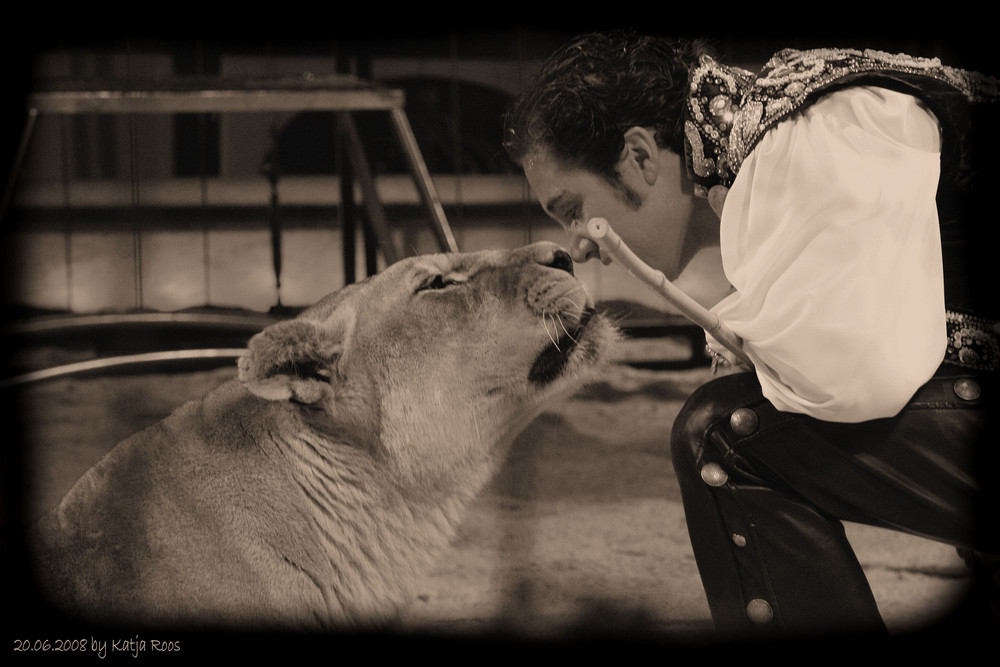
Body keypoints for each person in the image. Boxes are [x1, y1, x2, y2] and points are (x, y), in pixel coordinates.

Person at [503, 30, 999, 639]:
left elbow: (863, 376)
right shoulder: (781, 124)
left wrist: (751, 349)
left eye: (572, 208)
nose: (580, 243)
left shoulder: (813, 130)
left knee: (721, 434)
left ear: (637, 155)